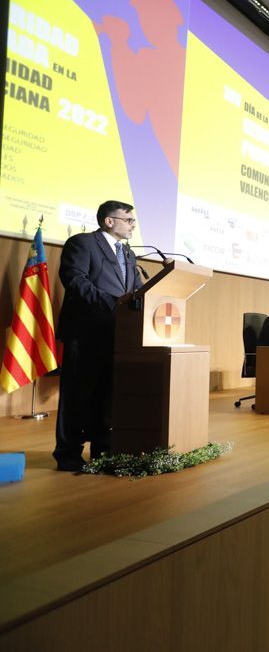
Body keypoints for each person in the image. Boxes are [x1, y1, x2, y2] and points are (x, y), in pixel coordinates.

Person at [54, 200, 144, 471]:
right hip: (85, 333)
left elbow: (136, 289)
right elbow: (75, 280)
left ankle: (103, 450)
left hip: (117, 334)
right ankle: (68, 453)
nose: (132, 225)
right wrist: (112, 303)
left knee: (108, 393)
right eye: (128, 220)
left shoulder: (127, 254)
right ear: (109, 221)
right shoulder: (82, 243)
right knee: (78, 394)